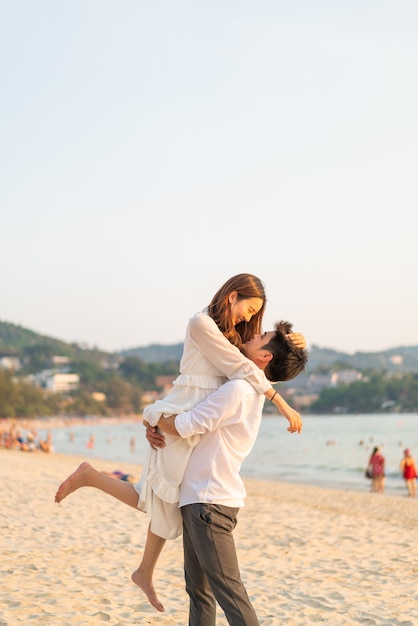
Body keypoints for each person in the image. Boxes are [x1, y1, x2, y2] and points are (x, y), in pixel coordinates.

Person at [56, 273, 306, 611]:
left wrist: (295, 343)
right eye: (250, 310)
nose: (251, 320)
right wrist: (280, 401)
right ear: (232, 296)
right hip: (184, 409)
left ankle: (142, 567)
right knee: (162, 494)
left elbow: (266, 356)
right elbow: (246, 367)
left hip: (194, 417)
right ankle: (94, 483)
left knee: (166, 494)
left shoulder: (233, 335)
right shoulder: (202, 324)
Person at [152, 321, 308, 624]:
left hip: (208, 503)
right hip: (200, 500)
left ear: (265, 358)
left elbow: (186, 426)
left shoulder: (238, 389)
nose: (253, 335)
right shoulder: (243, 385)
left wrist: (154, 415)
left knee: (230, 595)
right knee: (199, 593)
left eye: (262, 337)